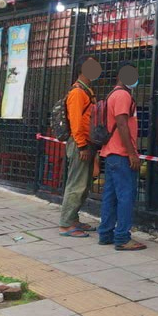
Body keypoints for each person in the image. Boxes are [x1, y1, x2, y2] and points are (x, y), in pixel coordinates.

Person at [98, 64, 147, 251]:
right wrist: (132, 153)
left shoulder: (113, 94)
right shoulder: (122, 95)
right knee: (126, 196)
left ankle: (106, 233)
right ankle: (122, 237)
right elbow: (122, 124)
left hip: (111, 153)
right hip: (120, 154)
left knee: (110, 196)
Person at [59, 56, 100, 237]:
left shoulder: (87, 91)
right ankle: (66, 224)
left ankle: (73, 219)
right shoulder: (77, 93)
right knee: (76, 184)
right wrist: (82, 146)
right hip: (80, 145)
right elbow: (76, 123)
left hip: (86, 144)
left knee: (83, 185)